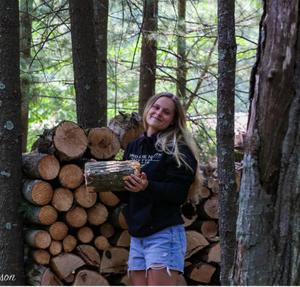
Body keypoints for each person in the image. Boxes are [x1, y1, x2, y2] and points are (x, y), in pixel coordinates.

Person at [115, 92, 202, 286]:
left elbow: (179, 193)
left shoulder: (178, 149)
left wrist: (147, 186)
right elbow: (126, 192)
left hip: (164, 233)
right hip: (138, 234)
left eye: (166, 111)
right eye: (156, 107)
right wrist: (101, 178)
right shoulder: (133, 147)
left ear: (173, 120)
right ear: (148, 109)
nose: (158, 113)